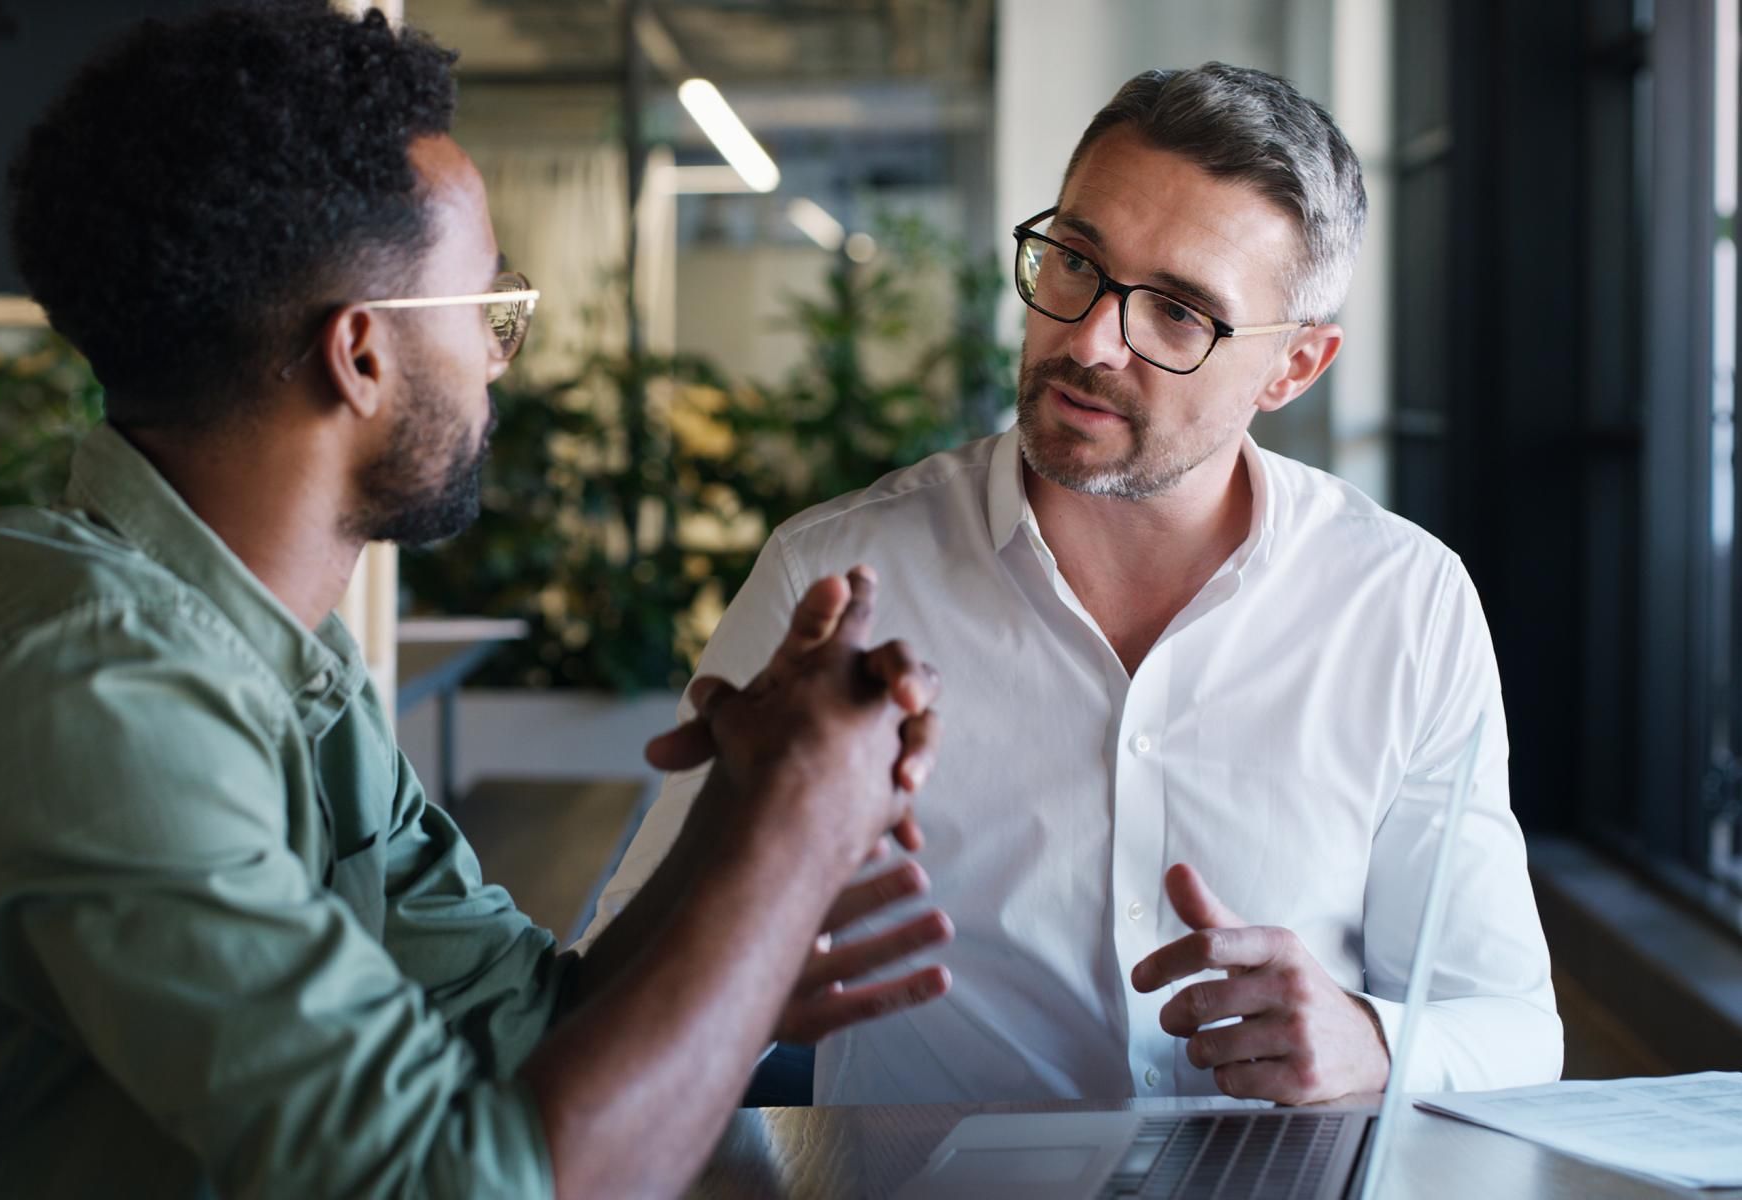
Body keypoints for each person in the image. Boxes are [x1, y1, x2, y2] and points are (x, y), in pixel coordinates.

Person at [0, 5, 954, 1197]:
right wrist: (793, 838)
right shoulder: (85, 685)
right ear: (362, 352)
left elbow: (522, 1028)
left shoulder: (276, 661)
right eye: (490, 311)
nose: (504, 361)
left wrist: (739, 813)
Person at [580, 62, 1563, 1108]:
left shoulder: (1404, 602)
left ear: (1295, 370)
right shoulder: (834, 580)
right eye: (1074, 264)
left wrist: (1373, 1042)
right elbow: (615, 982)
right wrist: (745, 949)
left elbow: (1510, 1027)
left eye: (1180, 314)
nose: (1089, 340)